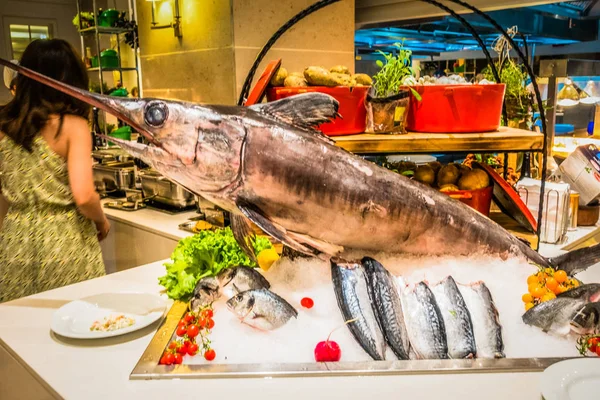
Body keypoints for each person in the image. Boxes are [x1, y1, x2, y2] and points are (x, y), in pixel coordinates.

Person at [0, 39, 109, 303]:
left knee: (18, 332)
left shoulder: (4, 124)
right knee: (75, 324)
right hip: (66, 242)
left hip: (15, 241)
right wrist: (101, 220)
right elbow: (83, 196)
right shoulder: (72, 126)